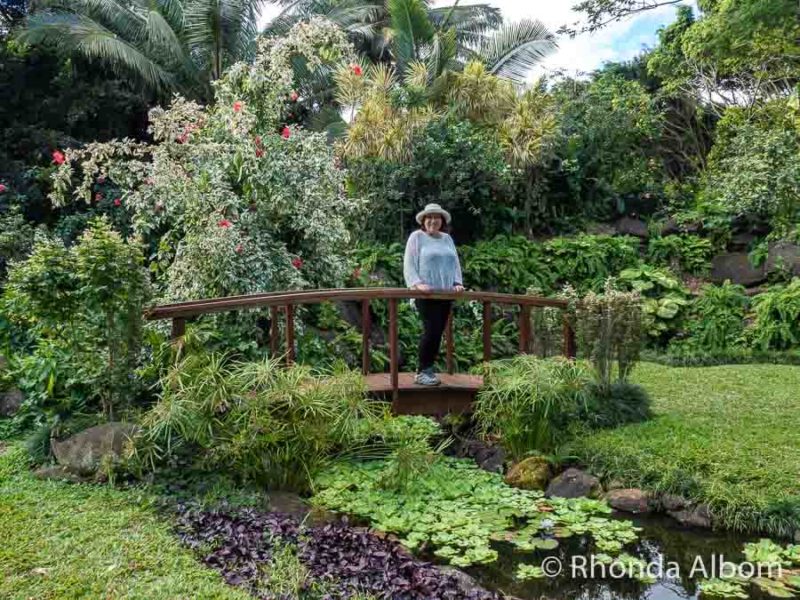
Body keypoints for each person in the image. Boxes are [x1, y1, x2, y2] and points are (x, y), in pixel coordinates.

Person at [403, 203, 464, 386]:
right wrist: (416, 284)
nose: (433, 221)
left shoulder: (447, 239)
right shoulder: (417, 237)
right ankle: (423, 371)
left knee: (437, 332)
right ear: (423, 221)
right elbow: (409, 263)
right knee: (431, 331)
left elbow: (455, 262)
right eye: (429, 217)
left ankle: (427, 369)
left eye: (436, 217)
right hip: (426, 294)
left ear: (442, 221)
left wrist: (458, 283)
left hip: (445, 293)